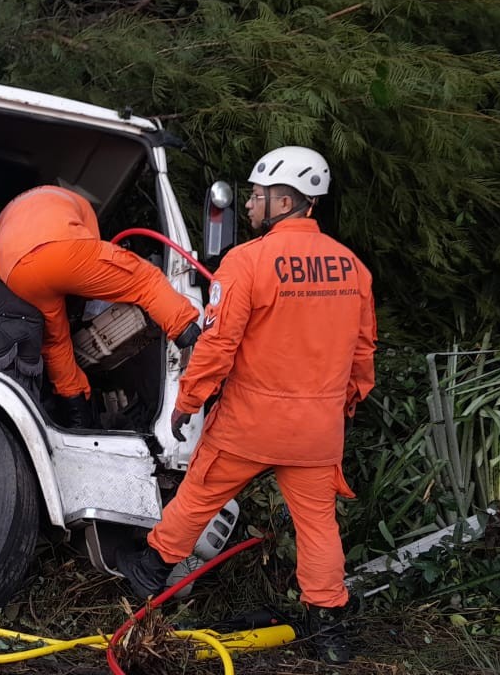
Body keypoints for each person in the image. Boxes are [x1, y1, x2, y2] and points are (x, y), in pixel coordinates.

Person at [117, 146, 377, 665]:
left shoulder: (248, 262)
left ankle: (144, 582)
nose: (251, 205)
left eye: (257, 197)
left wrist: (188, 400)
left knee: (197, 499)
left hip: (249, 425)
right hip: (315, 434)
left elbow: (217, 345)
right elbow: (363, 355)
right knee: (319, 527)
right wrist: (340, 407)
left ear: (285, 202)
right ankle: (328, 632)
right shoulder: (353, 269)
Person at [0, 185, 202, 428]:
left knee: (56, 344)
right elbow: (91, 251)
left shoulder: (15, 208)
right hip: (58, 252)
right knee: (143, 278)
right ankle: (188, 330)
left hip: (13, 270)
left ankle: (78, 414)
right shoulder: (81, 203)